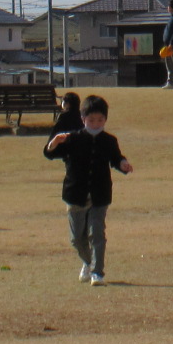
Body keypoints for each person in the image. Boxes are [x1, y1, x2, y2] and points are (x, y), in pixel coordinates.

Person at [46, 94, 133, 285]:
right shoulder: (72, 139)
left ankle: (97, 273)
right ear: (83, 119)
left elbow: (116, 158)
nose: (96, 123)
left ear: (105, 119)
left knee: (97, 234)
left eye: (100, 120)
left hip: (99, 194)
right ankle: (88, 262)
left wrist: (123, 164)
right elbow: (50, 154)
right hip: (75, 193)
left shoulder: (109, 140)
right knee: (77, 238)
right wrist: (54, 143)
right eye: (91, 120)